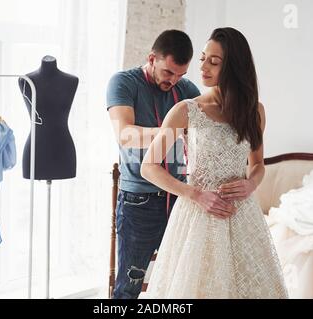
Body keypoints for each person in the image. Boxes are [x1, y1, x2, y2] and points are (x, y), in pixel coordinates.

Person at [141, 27, 288, 298]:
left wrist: (251, 184)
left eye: (214, 61)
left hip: (242, 217)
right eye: (203, 58)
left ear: (233, 67)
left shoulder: (255, 112)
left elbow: (257, 164)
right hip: (198, 215)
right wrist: (195, 194)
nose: (204, 67)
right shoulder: (186, 111)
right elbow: (148, 167)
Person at [106, 30, 203, 299]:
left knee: (179, 282)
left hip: (180, 199)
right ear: (152, 58)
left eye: (181, 75)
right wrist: (171, 130)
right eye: (169, 72)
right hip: (139, 202)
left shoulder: (186, 91)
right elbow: (124, 135)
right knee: (129, 286)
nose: (174, 81)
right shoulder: (123, 83)